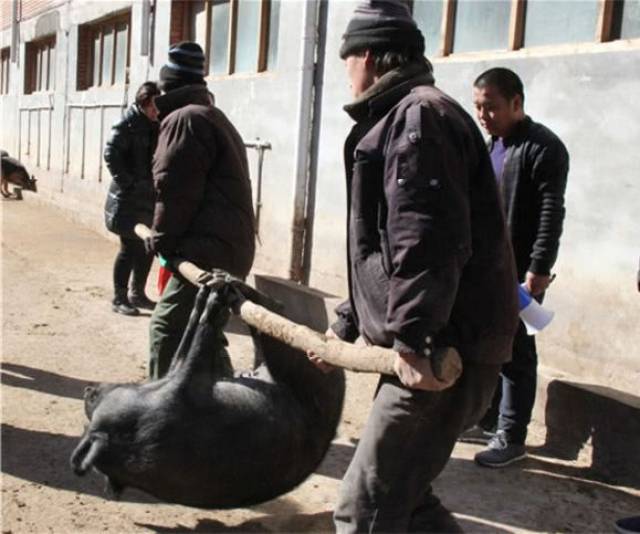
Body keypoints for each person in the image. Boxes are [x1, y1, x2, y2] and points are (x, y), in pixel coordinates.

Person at [321, 2, 519, 531]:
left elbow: (426, 242)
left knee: (364, 507)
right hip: (439, 339)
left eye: (346, 59)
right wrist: (346, 323)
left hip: (442, 352)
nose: (346, 72)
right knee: (405, 500)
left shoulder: (419, 117)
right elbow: (381, 250)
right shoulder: (405, 116)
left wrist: (412, 339)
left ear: (365, 56)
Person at [469, 67, 569, 467]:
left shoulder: (544, 147)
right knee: (489, 342)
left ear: (516, 102)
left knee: (517, 350)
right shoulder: (492, 145)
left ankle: (512, 436)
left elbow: (551, 211)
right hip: (488, 268)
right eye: (478, 107)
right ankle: (490, 418)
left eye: (490, 107)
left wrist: (539, 266)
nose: (483, 115)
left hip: (521, 271)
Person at [144, 42, 255, 379]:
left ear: (167, 86)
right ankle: (230, 413)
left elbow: (175, 190)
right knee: (204, 332)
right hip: (227, 248)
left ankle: (162, 418)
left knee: (165, 329)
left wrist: (161, 239)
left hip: (207, 252)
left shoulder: (183, 120)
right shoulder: (209, 115)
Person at [104, 81, 161, 316]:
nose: (156, 112)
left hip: (147, 198)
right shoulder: (127, 123)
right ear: (143, 103)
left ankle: (138, 293)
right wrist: (130, 183)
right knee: (129, 247)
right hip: (126, 199)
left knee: (147, 247)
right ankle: (119, 297)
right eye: (153, 107)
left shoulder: (154, 124)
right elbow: (111, 154)